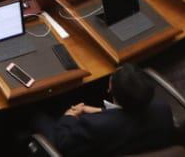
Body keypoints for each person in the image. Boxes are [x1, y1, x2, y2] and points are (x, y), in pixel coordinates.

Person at [32, 64, 173, 157]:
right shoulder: (162, 109)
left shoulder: (94, 125)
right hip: (130, 146)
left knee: (34, 114)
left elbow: (64, 144)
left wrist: (69, 116)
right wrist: (98, 110)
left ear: (110, 88)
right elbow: (123, 118)